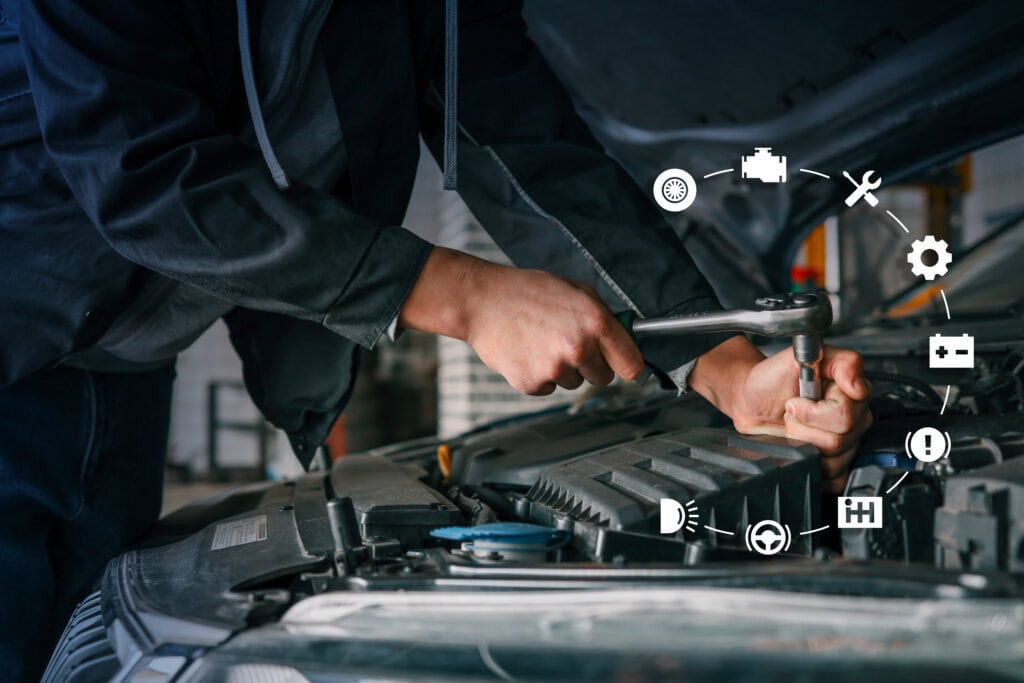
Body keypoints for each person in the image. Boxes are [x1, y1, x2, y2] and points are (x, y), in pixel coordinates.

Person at [0, 0, 872, 678]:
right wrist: (461, 293)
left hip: (123, 370)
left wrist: (724, 368)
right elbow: (137, 166)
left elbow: (530, 145)